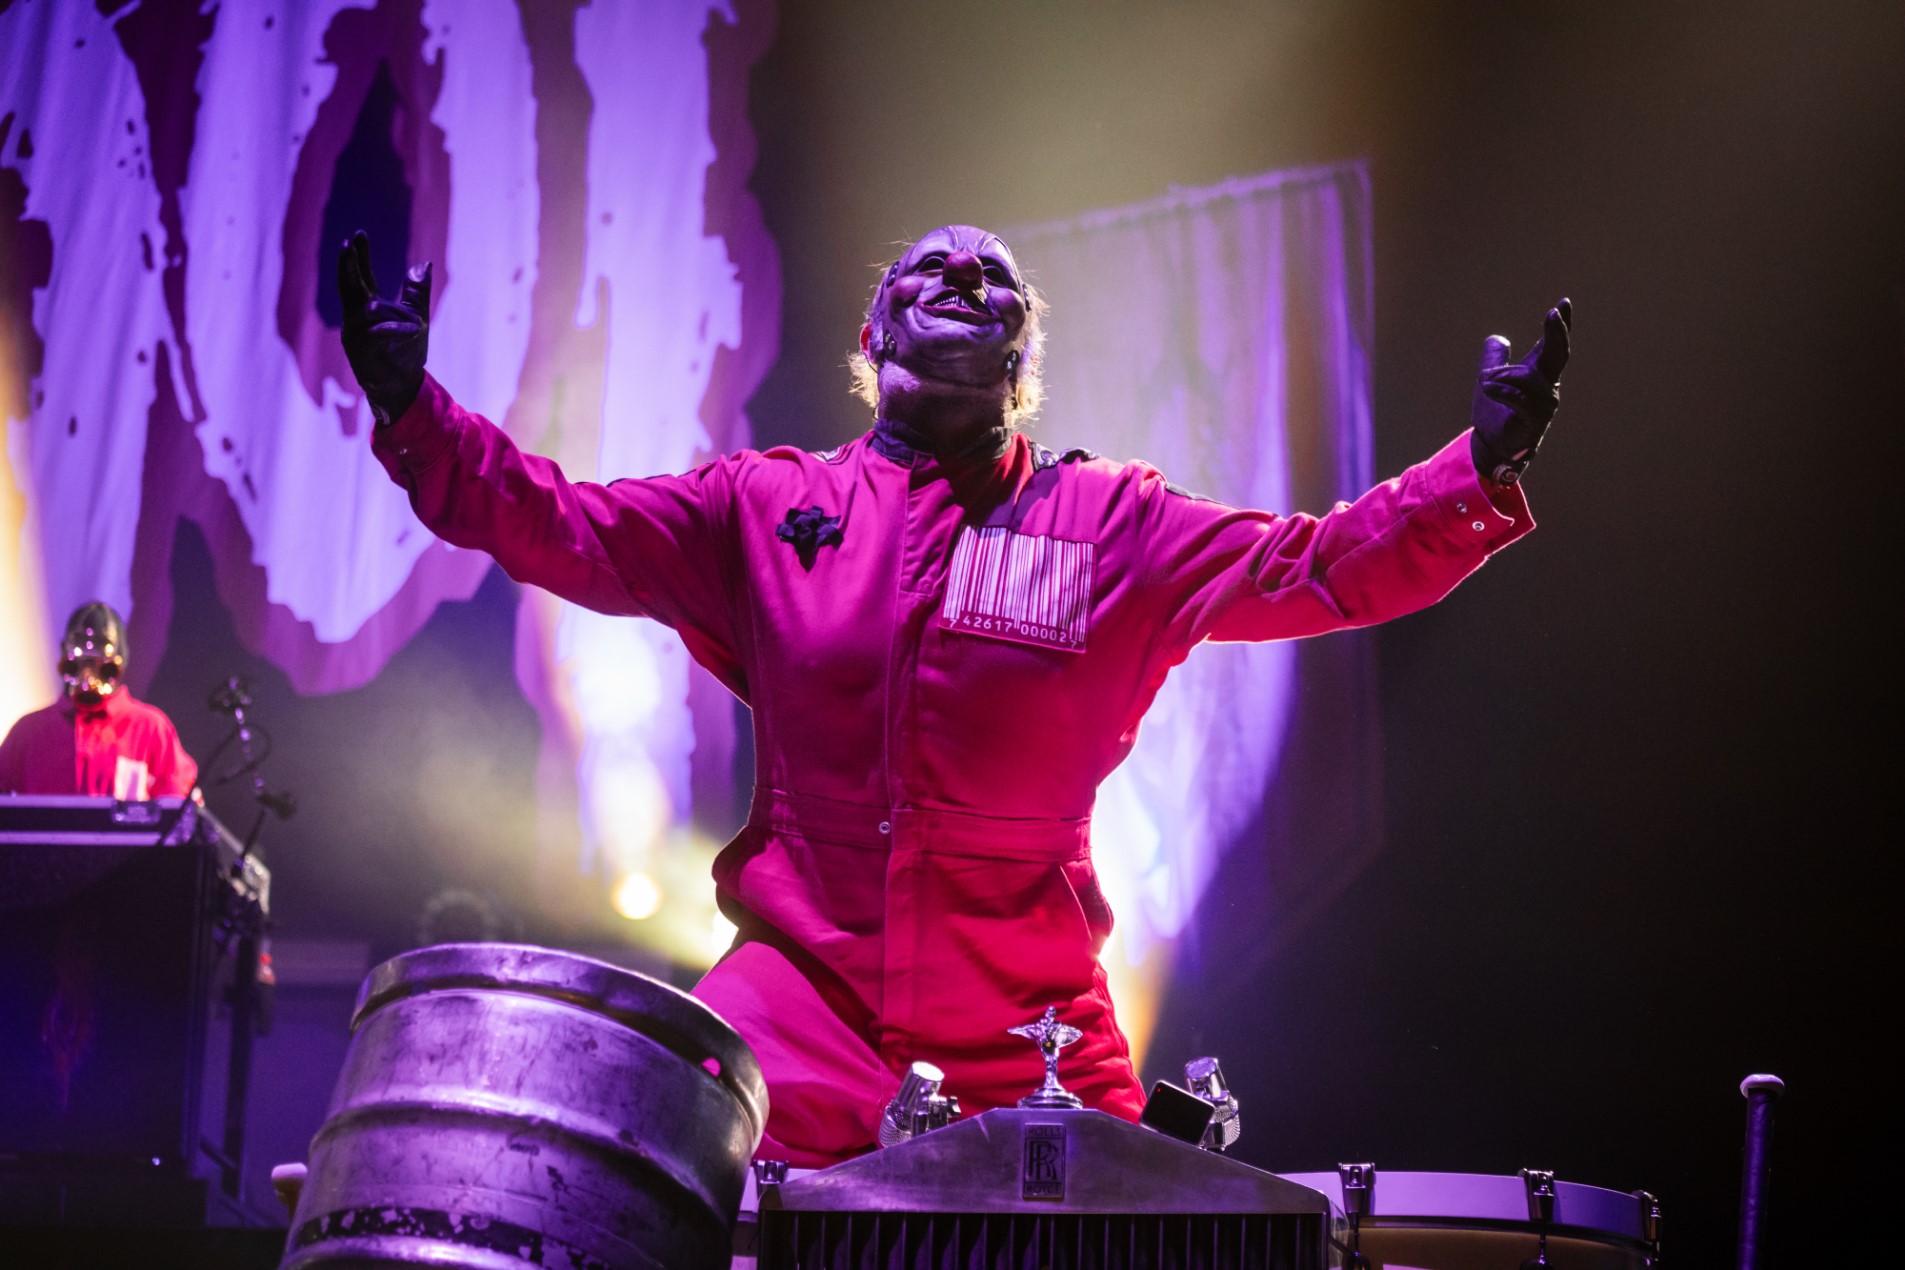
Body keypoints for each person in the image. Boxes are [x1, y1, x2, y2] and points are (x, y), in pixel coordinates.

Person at [337, 224, 1570, 1166]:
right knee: (655, 1164)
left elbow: (1316, 565)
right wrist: (414, 414)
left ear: (1022, 360)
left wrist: (1479, 468)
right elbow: (562, 524)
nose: (967, 273)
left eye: (996, 277)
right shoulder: (766, 508)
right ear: (875, 333)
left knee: (1154, 1222)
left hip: (1032, 1030)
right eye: (933, 265)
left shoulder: (1110, 525)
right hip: (796, 1012)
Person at [0, 602, 199, 800]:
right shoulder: (29, 732)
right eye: (80, 662)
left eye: (101, 665)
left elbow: (181, 803)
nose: (88, 674)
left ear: (120, 661)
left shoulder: (151, 728)